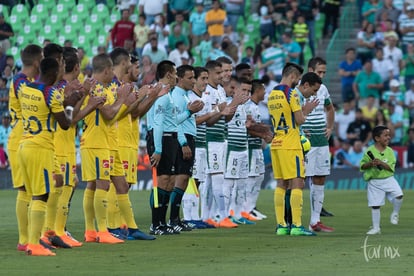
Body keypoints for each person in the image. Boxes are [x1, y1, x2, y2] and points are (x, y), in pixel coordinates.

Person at [19, 57, 81, 256]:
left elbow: (45, 107)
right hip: (41, 147)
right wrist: (70, 104)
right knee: (41, 195)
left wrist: (62, 102)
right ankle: (34, 244)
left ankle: (46, 233)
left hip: (26, 144)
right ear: (54, 73)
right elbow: (65, 123)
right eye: (62, 68)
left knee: (58, 182)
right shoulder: (51, 93)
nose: (63, 71)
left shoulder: (26, 88)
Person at [80, 53, 130, 244]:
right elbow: (109, 114)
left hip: (97, 141)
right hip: (96, 141)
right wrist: (123, 99)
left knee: (93, 185)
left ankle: (91, 231)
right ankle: (102, 231)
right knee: (102, 184)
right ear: (107, 70)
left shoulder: (98, 86)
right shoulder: (96, 87)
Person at [269, 63, 320, 236]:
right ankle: (297, 226)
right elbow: (298, 120)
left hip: (276, 142)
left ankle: (281, 226)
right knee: (298, 182)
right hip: (291, 144)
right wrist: (306, 113)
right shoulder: (290, 94)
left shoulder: (272, 94)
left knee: (281, 184)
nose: (298, 81)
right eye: (297, 78)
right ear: (292, 76)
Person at [8, 44, 43, 252]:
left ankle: (32, 237)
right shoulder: (20, 82)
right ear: (37, 62)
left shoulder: (29, 81)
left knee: (32, 191)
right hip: (19, 139)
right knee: (24, 190)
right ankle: (24, 239)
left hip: (27, 138)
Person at [168, 64, 204, 232]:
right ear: (180, 78)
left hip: (190, 137)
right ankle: (172, 219)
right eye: (190, 78)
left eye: (193, 77)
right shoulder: (176, 96)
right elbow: (174, 122)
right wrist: (183, 143)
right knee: (180, 179)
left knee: (184, 179)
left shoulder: (185, 96)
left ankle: (176, 218)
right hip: (184, 139)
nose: (193, 81)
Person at [146, 60, 180, 235]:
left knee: (170, 181)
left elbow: (170, 121)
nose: (176, 77)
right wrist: (158, 149)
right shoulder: (160, 94)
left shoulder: (168, 94)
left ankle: (162, 222)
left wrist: (188, 112)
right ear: (168, 74)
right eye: (175, 73)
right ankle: (155, 223)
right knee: (162, 180)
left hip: (170, 138)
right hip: (162, 139)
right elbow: (158, 123)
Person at [303, 57, 335, 232]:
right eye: (319, 72)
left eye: (324, 72)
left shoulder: (322, 89)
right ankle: (290, 220)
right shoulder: (300, 90)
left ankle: (315, 221)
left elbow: (330, 109)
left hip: (321, 140)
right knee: (299, 180)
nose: (322, 75)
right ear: (310, 70)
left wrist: (330, 127)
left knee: (320, 177)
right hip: (305, 142)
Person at [360, 125, 403, 235]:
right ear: (377, 138)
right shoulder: (369, 151)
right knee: (375, 205)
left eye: (389, 135)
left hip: (388, 179)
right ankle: (376, 228)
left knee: (399, 195)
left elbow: (391, 168)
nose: (388, 137)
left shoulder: (390, 151)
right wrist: (370, 163)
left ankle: (395, 213)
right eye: (386, 135)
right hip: (374, 181)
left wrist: (381, 163)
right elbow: (362, 166)